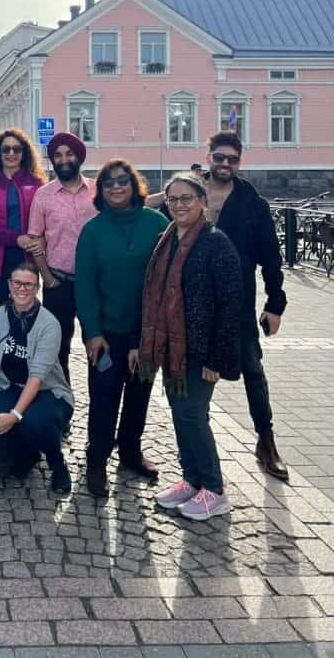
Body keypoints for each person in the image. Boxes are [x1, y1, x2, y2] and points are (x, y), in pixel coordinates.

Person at [139, 173, 242, 521]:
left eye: (186, 198)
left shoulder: (215, 243)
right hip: (172, 347)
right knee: (180, 413)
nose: (179, 205)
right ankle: (192, 479)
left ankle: (214, 489)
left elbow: (231, 305)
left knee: (193, 415)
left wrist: (218, 357)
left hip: (202, 349)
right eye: (173, 199)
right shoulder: (167, 239)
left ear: (202, 201)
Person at [74, 159, 169, 497]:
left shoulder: (157, 223)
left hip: (145, 330)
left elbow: (165, 281)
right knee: (103, 396)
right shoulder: (93, 230)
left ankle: (130, 450)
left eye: (122, 181)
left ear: (134, 184)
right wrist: (92, 333)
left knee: (139, 393)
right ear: (100, 190)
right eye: (108, 183)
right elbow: (84, 286)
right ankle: (97, 459)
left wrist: (150, 332)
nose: (116, 187)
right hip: (107, 333)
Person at [203, 131, 289, 479]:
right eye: (219, 157)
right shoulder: (188, 194)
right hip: (194, 299)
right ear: (208, 156)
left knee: (252, 368)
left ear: (239, 162)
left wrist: (276, 303)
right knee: (195, 374)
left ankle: (265, 440)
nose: (225, 164)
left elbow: (271, 255)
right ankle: (197, 443)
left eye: (231, 159)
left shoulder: (252, 203)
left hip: (238, 301)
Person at [0, 262, 74, 496]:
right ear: (9, 285)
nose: (22, 289)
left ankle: (58, 465)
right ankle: (27, 453)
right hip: (11, 386)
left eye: (29, 284)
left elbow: (37, 377)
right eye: (17, 283)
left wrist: (14, 415)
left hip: (47, 391)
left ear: (37, 288)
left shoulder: (49, 324)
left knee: (33, 419)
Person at [27, 132, 96, 381]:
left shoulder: (98, 190)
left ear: (79, 156)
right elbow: (35, 238)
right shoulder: (43, 195)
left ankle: (99, 406)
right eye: (58, 155)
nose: (64, 159)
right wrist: (47, 277)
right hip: (59, 282)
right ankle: (61, 404)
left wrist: (166, 196)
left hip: (95, 285)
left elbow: (128, 210)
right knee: (56, 348)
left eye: (69, 153)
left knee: (97, 344)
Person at [0, 128, 46, 302]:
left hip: (27, 256)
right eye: (6, 149)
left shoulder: (37, 184)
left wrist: (43, 240)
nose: (11, 153)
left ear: (24, 153)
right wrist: (16, 239)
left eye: (17, 149)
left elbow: (47, 219)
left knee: (25, 304)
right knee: (2, 305)